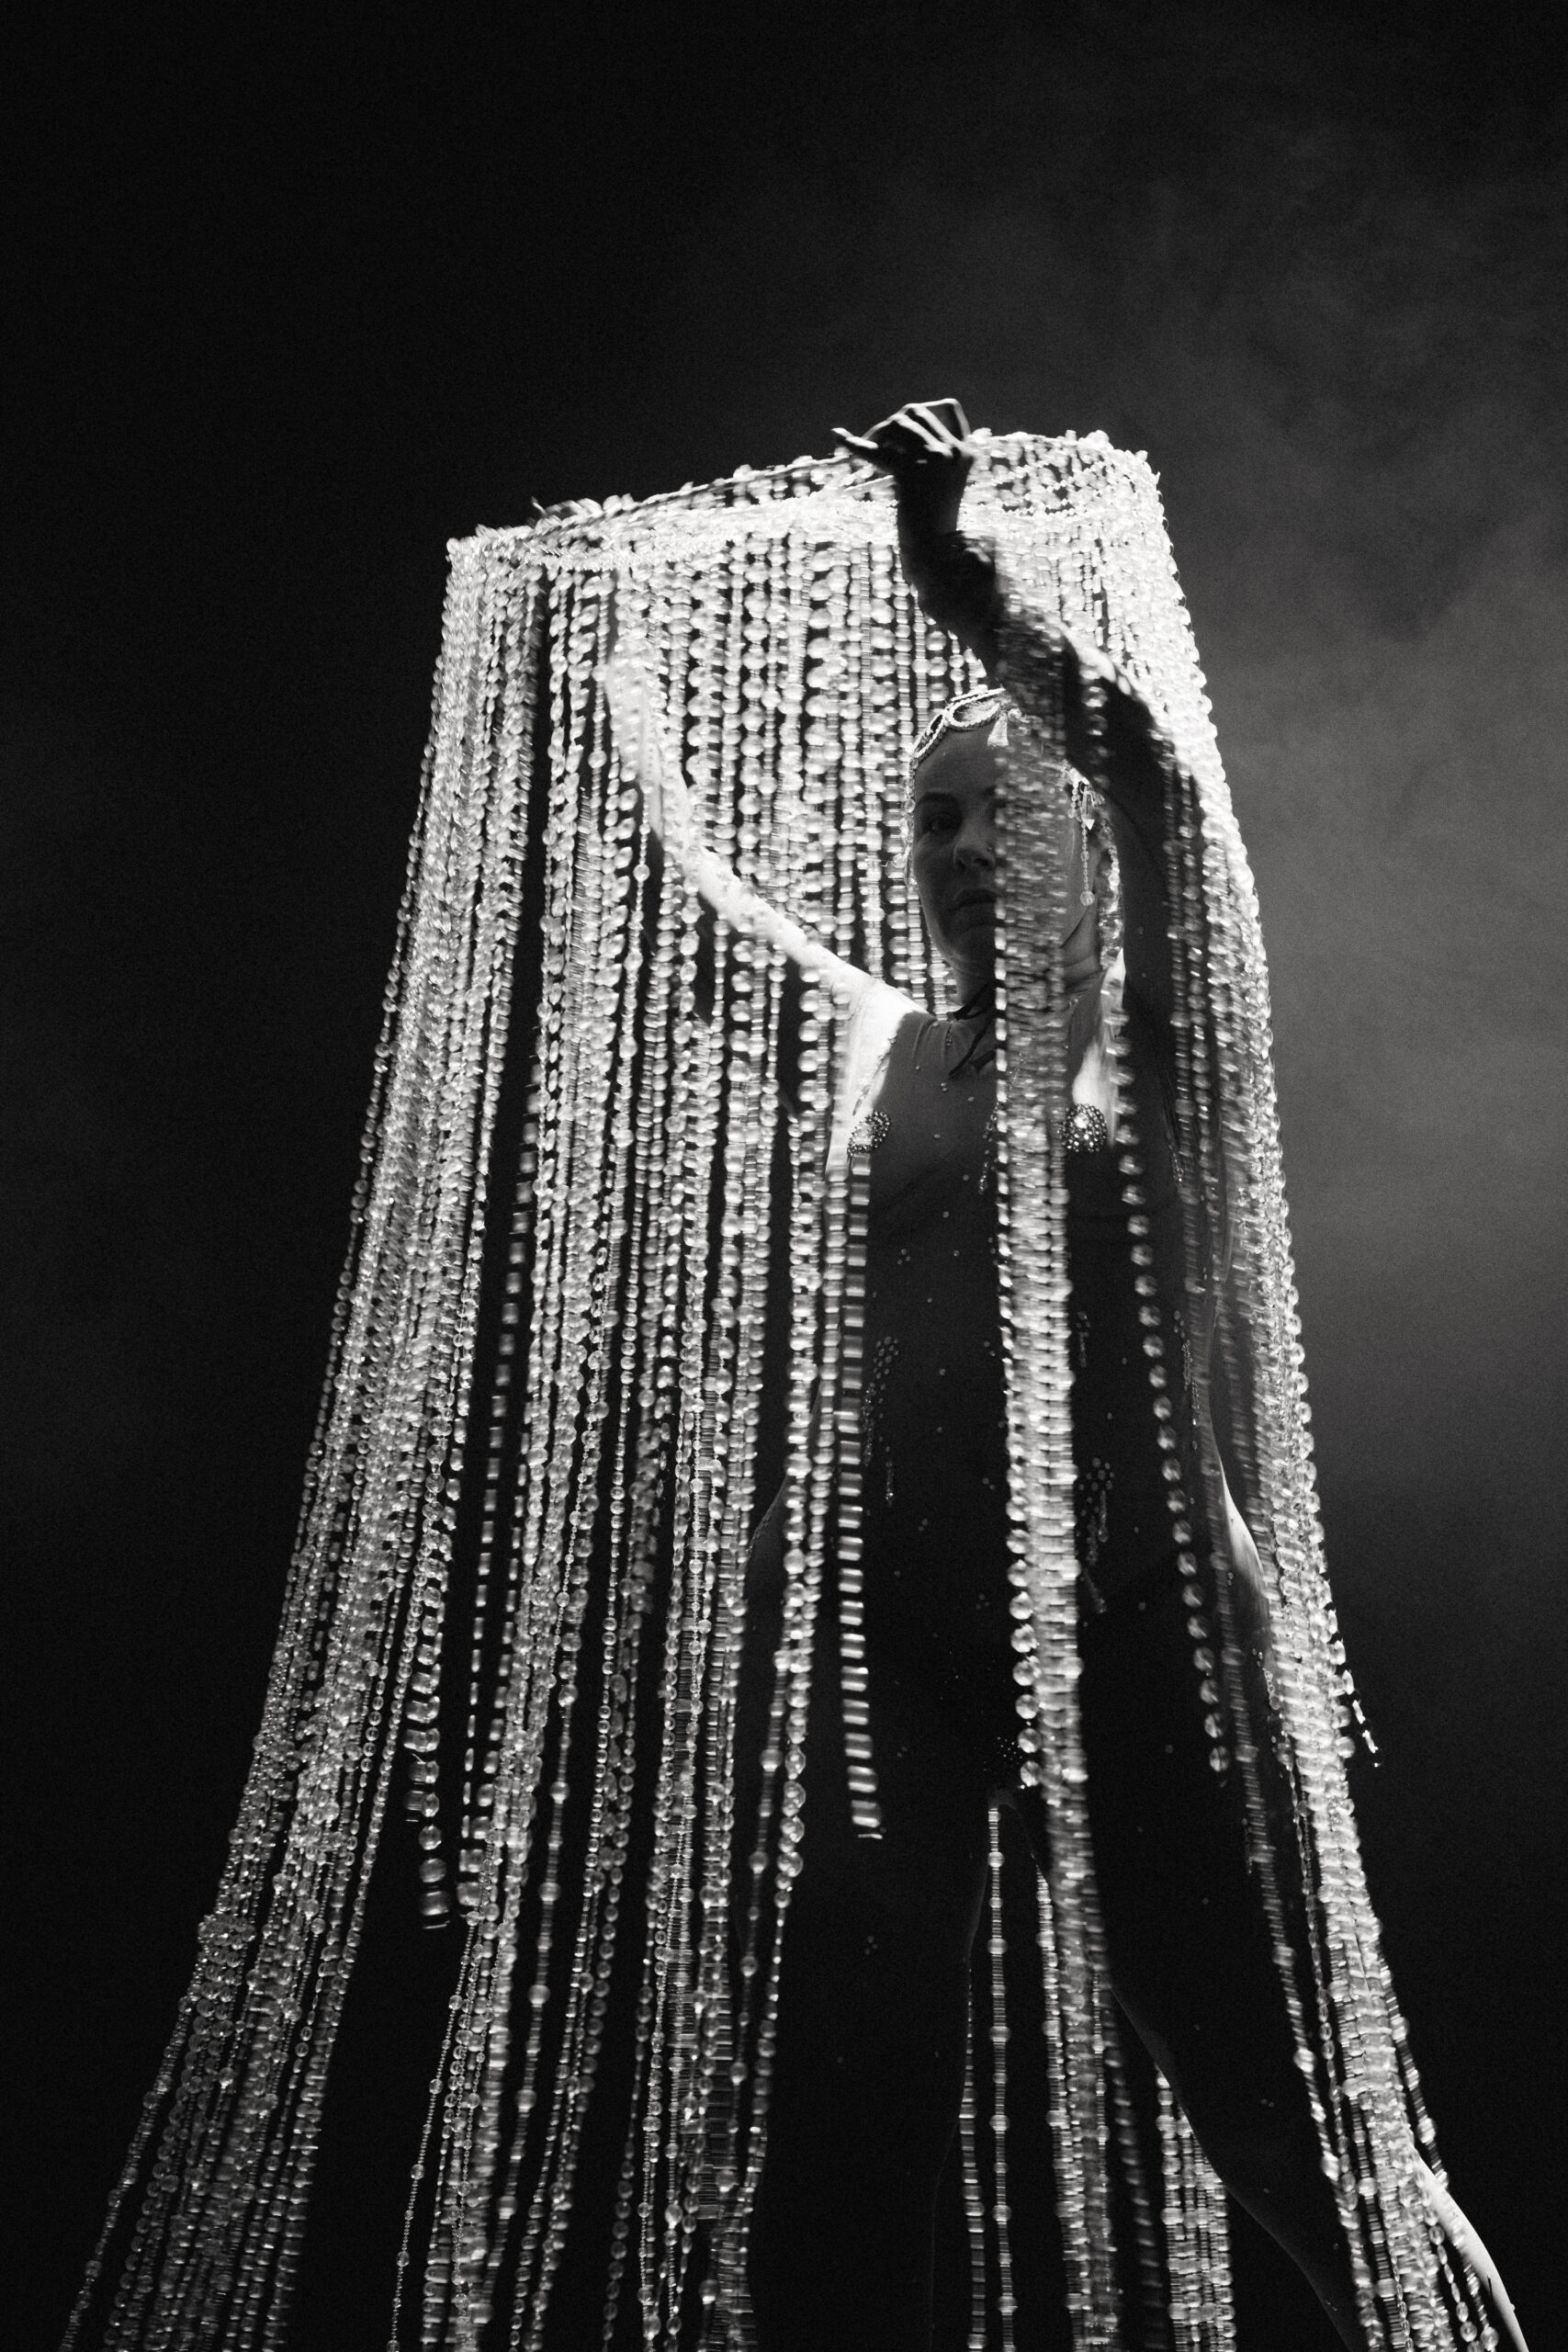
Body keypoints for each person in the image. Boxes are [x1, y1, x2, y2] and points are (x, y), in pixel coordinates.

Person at [604, 401, 1525, 2352]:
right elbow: (696, 898)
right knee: (841, 2147)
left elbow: (1164, 783)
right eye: (929, 819)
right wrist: (615, 678)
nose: (954, 850)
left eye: (998, 811)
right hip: (896, 1650)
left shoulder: (1162, 1030)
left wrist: (965, 587)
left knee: (1296, 2132)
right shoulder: (872, 1042)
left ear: (1083, 851)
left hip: (1143, 1625)